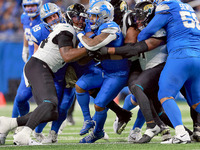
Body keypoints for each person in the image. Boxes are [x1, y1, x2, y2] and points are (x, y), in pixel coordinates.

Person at [0, 9, 90, 145]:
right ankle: (24, 134)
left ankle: (8, 123)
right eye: (77, 18)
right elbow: (67, 55)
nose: (81, 21)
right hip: (38, 66)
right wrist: (90, 48)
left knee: (52, 113)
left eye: (83, 19)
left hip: (43, 68)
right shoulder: (66, 29)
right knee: (49, 102)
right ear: (70, 18)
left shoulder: (68, 30)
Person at [137, 0, 200, 144]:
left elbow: (146, 32)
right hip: (198, 55)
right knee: (196, 102)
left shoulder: (167, 5)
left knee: (165, 94)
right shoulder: (188, 7)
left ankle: (181, 134)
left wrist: (140, 37)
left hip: (180, 55)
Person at [76, 1, 130, 143]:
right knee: (80, 85)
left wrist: (80, 35)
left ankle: (98, 132)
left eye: (95, 16)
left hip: (118, 74)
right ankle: (88, 120)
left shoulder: (111, 27)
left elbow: (91, 45)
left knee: (99, 104)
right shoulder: (100, 27)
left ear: (104, 16)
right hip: (105, 70)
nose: (91, 19)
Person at [30, 2, 75, 143]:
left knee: (65, 105)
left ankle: (53, 133)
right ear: (45, 21)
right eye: (49, 18)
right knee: (50, 107)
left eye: (55, 15)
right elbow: (38, 52)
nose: (54, 19)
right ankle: (36, 130)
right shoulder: (40, 31)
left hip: (68, 72)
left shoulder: (69, 25)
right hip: (52, 74)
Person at [11, 0, 42, 126]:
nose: (29, 8)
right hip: (31, 60)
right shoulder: (24, 17)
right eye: (27, 6)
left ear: (39, 4)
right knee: (21, 96)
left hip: (45, 61)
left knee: (47, 100)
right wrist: (25, 48)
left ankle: (55, 127)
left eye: (33, 5)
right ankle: (14, 122)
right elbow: (26, 32)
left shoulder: (45, 19)